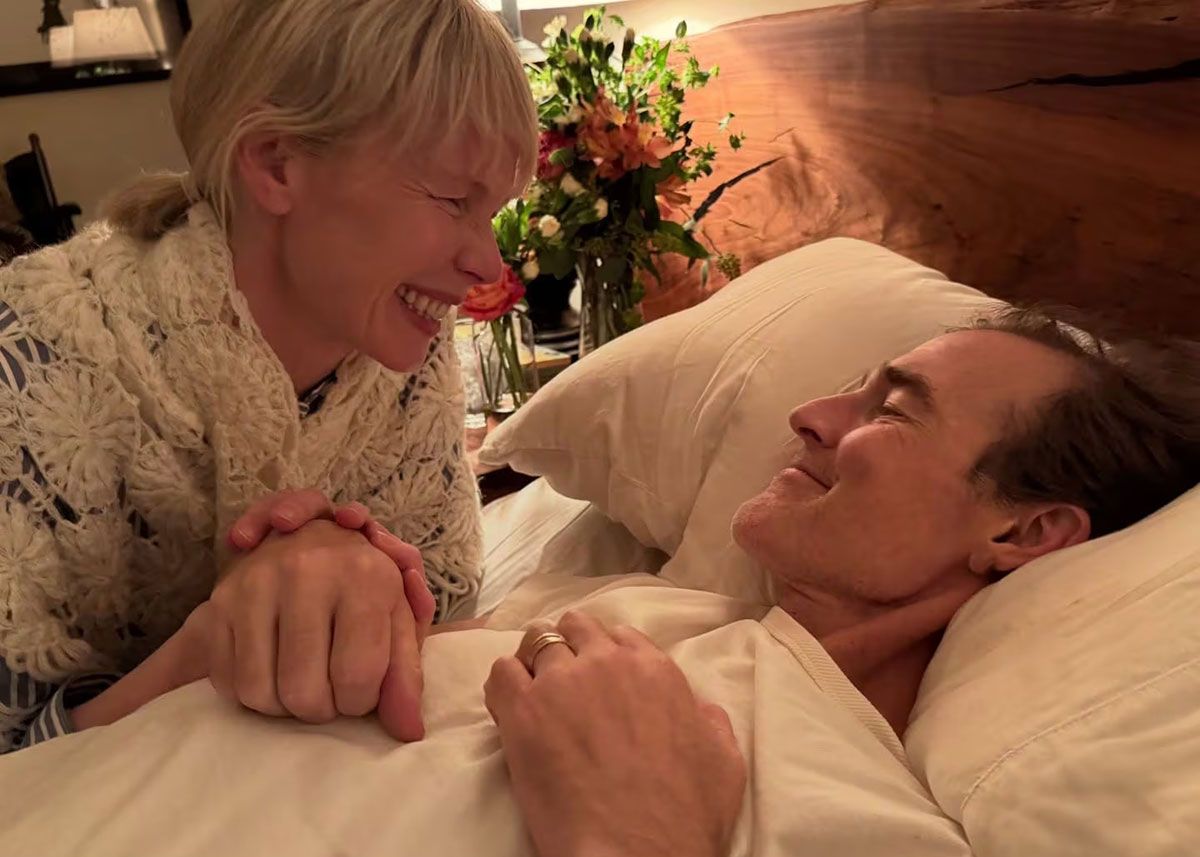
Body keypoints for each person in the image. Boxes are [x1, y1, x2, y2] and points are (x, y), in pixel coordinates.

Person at [9, 307, 1193, 857]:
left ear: (1026, 530)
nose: (808, 412)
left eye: (893, 409)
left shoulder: (870, 817)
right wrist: (220, 639)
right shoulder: (643, 601)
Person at [0, 0, 537, 753]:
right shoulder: (29, 371)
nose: (488, 263)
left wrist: (361, 582)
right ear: (277, 163)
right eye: (454, 200)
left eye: (495, 214)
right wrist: (208, 651)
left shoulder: (401, 347)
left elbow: (443, 609)